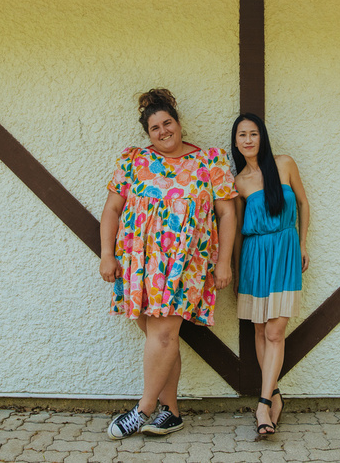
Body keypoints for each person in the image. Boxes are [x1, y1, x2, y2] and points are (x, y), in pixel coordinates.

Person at [99, 88, 237, 439]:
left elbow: (227, 214)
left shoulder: (210, 162)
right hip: (139, 262)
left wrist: (223, 262)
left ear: (178, 122)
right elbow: (112, 210)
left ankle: (143, 409)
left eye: (167, 123)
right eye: (155, 128)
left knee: (162, 335)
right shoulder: (132, 161)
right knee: (159, 337)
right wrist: (107, 254)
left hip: (184, 264)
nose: (163, 131)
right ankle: (171, 412)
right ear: (148, 134)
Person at [231, 113, 310, 435]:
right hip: (253, 256)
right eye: (241, 135)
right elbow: (236, 231)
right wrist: (236, 272)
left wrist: (303, 245)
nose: (248, 140)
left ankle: (262, 404)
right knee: (260, 331)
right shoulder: (239, 183)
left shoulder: (285, 164)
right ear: (235, 143)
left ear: (262, 137)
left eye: (253, 133)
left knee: (276, 331)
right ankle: (274, 396)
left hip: (285, 251)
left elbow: (303, 204)